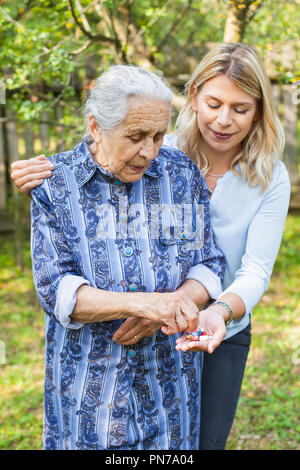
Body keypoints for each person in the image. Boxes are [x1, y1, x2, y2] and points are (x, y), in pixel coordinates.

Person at [11, 43, 291, 450]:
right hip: (93, 388)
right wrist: (144, 303)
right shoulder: (63, 181)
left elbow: (224, 265)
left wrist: (178, 303)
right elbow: (55, 288)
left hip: (200, 346)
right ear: (194, 96)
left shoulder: (181, 168)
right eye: (214, 103)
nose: (149, 149)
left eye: (158, 136)